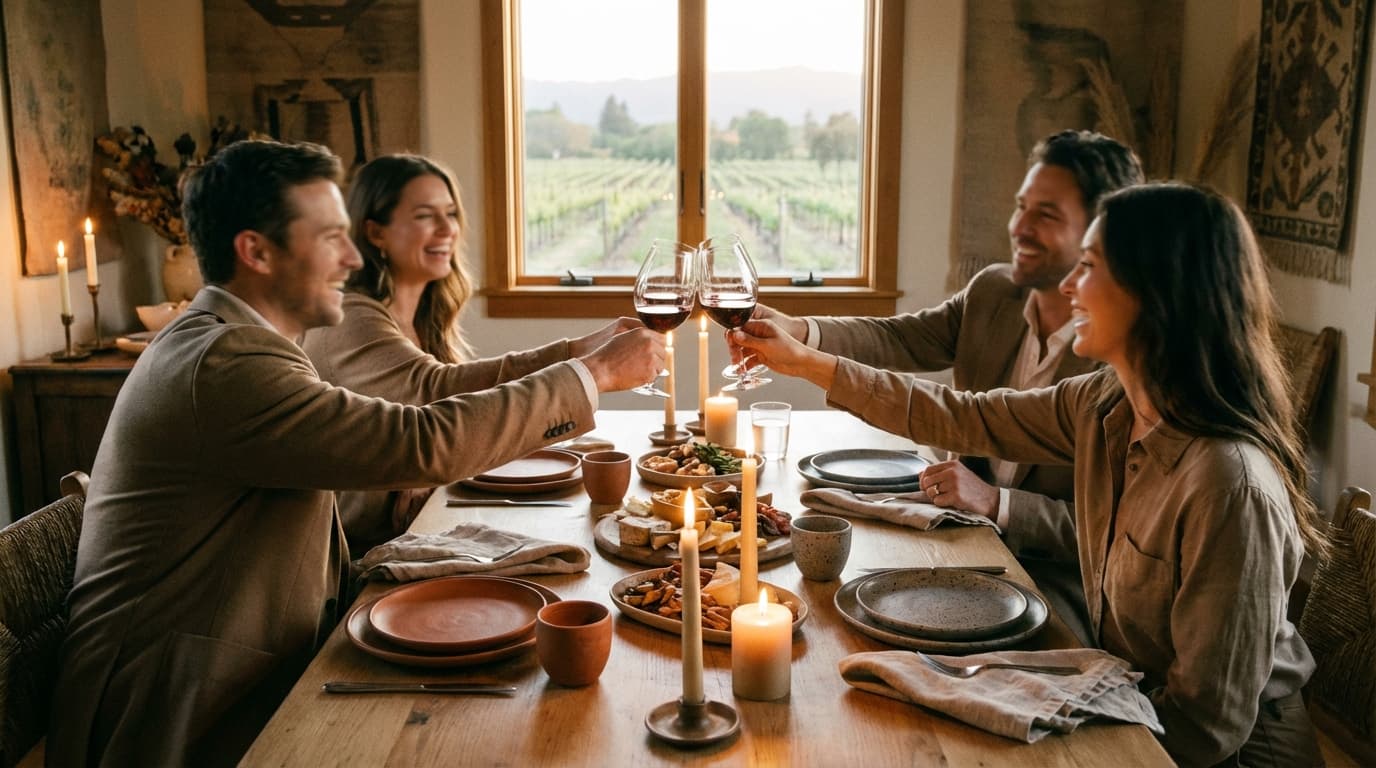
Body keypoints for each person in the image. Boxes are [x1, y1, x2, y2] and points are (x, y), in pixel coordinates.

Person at [47, 139, 663, 766]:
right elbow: (418, 439)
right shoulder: (226, 363)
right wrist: (590, 377)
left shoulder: (240, 343)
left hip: (244, 671)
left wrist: (581, 361)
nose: (350, 258)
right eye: (330, 238)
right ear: (255, 251)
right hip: (178, 714)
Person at [732, 182, 1324, 765]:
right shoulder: (1104, 403)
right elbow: (963, 415)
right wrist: (808, 363)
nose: (1068, 286)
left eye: (1088, 267)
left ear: (1154, 290)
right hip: (1123, 703)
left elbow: (1206, 731)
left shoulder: (1229, 485)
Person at [748, 129, 1143, 642]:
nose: (1019, 227)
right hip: (956, 547)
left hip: (1056, 587)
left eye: (1045, 216)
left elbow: (1122, 532)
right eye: (1021, 207)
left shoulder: (1117, 364)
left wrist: (997, 502)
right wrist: (802, 333)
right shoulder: (995, 292)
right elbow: (902, 340)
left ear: (1101, 235)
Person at [302, 154, 639, 552]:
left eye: (451, 213)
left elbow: (457, 414)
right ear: (376, 232)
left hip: (423, 524)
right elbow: (437, 393)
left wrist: (579, 350)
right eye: (426, 216)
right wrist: (586, 364)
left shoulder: (423, 317)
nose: (448, 229)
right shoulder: (349, 317)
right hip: (367, 555)